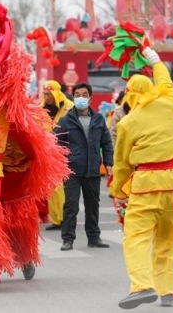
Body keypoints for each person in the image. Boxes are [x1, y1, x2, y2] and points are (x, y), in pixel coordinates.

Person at [111, 47, 173, 309]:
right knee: (166, 239)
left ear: (130, 95)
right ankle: (167, 292)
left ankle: (142, 286)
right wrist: (155, 60)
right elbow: (165, 81)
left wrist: (118, 191)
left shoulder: (127, 123)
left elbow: (121, 164)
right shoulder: (169, 102)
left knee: (137, 237)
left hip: (145, 185)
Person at [55, 82, 113, 251]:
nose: (81, 97)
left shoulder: (98, 119)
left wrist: (108, 162)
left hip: (93, 169)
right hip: (72, 169)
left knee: (93, 205)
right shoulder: (65, 121)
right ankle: (68, 239)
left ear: (90, 98)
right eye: (78, 95)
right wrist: (60, 164)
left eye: (84, 94)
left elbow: (106, 142)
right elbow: (57, 144)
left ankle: (94, 238)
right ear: (73, 98)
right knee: (71, 206)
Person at [41, 80, 74, 232]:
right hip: (49, 153)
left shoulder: (69, 108)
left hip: (68, 151)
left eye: (49, 94)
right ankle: (57, 219)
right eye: (45, 94)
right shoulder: (41, 109)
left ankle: (67, 218)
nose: (46, 97)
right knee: (53, 187)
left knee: (70, 188)